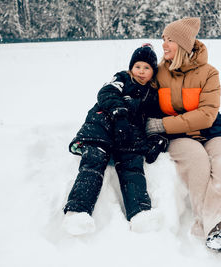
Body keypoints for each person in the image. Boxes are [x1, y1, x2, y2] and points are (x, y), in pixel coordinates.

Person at [145, 17, 221, 255]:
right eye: (163, 39)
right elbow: (136, 85)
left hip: (209, 131)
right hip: (179, 137)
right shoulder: (159, 73)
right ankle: (216, 225)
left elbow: (206, 116)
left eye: (169, 40)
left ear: (182, 44)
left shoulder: (209, 73)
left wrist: (162, 124)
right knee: (198, 160)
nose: (164, 44)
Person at [62, 44, 168, 235]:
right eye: (137, 67)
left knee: (133, 168)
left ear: (153, 72)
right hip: (102, 127)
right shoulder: (121, 78)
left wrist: (156, 140)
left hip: (130, 136)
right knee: (93, 163)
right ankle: (77, 211)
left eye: (147, 68)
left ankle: (140, 213)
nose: (141, 72)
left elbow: (155, 119)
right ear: (131, 68)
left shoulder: (152, 94)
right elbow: (106, 93)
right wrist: (119, 113)